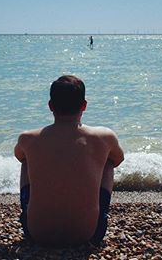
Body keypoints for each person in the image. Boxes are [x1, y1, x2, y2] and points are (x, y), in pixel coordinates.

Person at [14, 75, 124, 247]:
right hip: (89, 234)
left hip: (36, 233)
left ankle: (27, 211)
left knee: (27, 160)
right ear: (84, 105)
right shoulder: (104, 137)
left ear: (50, 106)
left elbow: (19, 156)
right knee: (108, 161)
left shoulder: (28, 138)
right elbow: (118, 159)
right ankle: (94, 213)